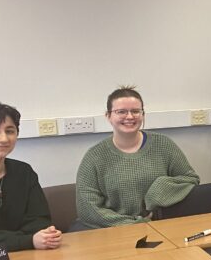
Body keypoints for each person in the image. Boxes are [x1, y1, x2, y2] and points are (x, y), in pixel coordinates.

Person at [75, 86, 198, 229]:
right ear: (108, 116)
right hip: (115, 231)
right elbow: (88, 209)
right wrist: (132, 224)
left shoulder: (163, 144)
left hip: (163, 227)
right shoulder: (94, 156)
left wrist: (159, 190)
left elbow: (190, 179)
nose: (129, 117)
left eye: (135, 111)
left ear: (143, 114)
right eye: (121, 111)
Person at [0, 100, 62, 253]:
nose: (4, 138)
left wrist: (29, 239)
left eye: (9, 131)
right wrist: (27, 240)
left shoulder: (24, 171)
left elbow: (40, 221)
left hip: (26, 254)